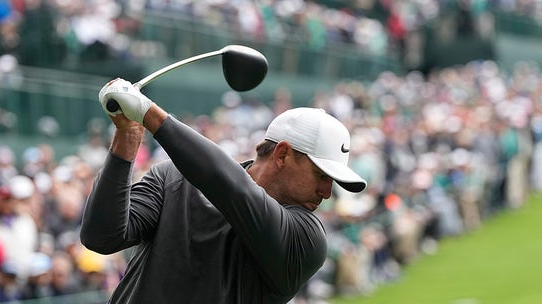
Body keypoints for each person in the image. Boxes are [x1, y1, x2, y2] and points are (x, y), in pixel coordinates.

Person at [80, 78, 367, 303]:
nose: (327, 192)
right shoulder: (173, 177)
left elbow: (236, 191)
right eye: (321, 175)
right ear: (282, 155)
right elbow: (101, 237)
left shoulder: (308, 238)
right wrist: (127, 137)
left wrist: (148, 114)